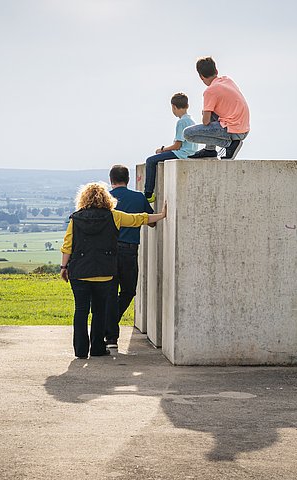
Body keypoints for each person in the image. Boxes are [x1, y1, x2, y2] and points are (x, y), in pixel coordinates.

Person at [60, 183, 167, 359]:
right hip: (104, 272)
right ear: (106, 198)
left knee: (80, 311)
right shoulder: (114, 216)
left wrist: (64, 268)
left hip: (79, 272)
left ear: (83, 199)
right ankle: (97, 349)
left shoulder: (75, 219)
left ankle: (80, 351)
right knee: (99, 311)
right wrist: (162, 215)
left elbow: (67, 246)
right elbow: (137, 219)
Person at [105, 165, 154, 349]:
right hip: (128, 252)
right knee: (128, 291)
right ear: (128, 179)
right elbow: (151, 221)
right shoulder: (138, 198)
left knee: (109, 293)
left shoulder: (106, 199)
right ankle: (109, 330)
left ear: (111, 180)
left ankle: (109, 334)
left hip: (107, 253)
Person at [183, 56, 250, 160]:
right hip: (243, 128)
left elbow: (205, 122)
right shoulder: (227, 80)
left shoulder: (210, 91)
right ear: (216, 70)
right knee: (211, 111)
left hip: (232, 130)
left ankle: (229, 144)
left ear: (201, 76)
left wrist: (205, 112)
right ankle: (209, 150)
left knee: (187, 133)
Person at [144, 92, 198, 202]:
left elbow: (177, 145)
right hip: (191, 152)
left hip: (182, 153)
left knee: (150, 161)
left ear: (173, 107)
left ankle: (148, 194)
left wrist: (162, 149)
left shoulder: (181, 122)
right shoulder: (191, 120)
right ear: (187, 106)